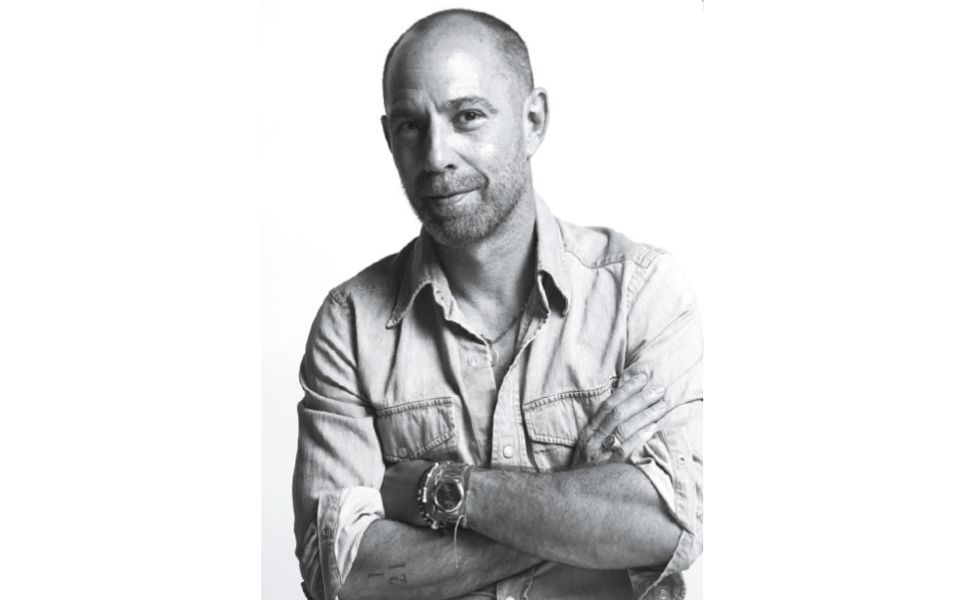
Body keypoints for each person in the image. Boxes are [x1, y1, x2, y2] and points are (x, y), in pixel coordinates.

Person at [293, 9, 703, 600]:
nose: (436, 155)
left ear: (533, 121)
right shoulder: (352, 325)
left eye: (467, 116)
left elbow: (667, 524)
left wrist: (442, 490)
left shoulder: (639, 295)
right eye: (411, 126)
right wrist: (579, 502)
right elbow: (344, 575)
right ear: (388, 139)